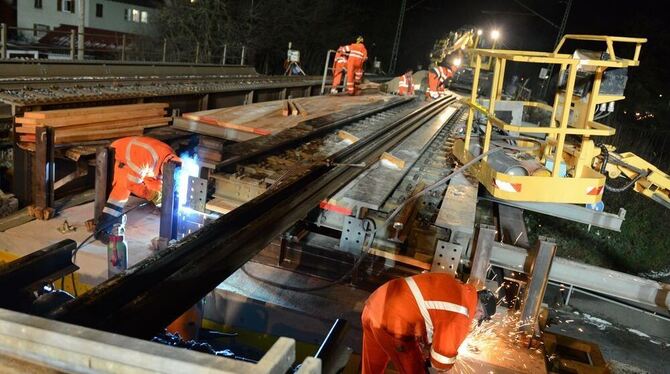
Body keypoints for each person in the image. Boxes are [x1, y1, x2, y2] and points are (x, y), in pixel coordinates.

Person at [361, 272, 497, 373]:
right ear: (480, 312)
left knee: (371, 368)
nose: (475, 318)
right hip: (393, 322)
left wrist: (426, 345)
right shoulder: (462, 313)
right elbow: (441, 360)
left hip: (374, 305)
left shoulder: (455, 286)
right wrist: (440, 362)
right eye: (479, 317)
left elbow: (424, 311)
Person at [96, 136, 180, 243]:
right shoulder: (146, 159)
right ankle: (102, 230)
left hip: (145, 160)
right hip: (123, 153)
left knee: (158, 187)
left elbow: (158, 180)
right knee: (121, 191)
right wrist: (151, 195)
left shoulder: (170, 158)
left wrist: (162, 202)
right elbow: (132, 185)